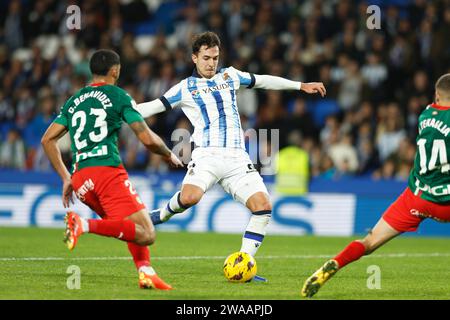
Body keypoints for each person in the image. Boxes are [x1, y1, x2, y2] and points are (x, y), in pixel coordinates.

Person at [136, 31, 326, 281]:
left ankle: (244, 263)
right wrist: (120, 109)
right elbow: (153, 106)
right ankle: (159, 216)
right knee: (190, 198)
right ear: (194, 58)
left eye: (215, 57)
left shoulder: (230, 75)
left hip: (238, 159)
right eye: (206, 58)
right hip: (206, 156)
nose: (211, 63)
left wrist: (299, 85)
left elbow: (263, 80)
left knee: (263, 207)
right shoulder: (184, 88)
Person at [41, 49, 183, 290]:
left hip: (81, 181)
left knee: (131, 229)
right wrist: (168, 153)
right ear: (115, 70)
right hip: (106, 173)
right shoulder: (119, 96)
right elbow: (147, 138)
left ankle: (146, 272)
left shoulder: (75, 100)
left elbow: (47, 140)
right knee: (147, 233)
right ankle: (82, 224)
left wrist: (66, 178)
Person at [301, 73, 450, 298]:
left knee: (369, 241)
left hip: (417, 197)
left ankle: (335, 262)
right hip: (446, 202)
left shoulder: (425, 114)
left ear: (437, 95)